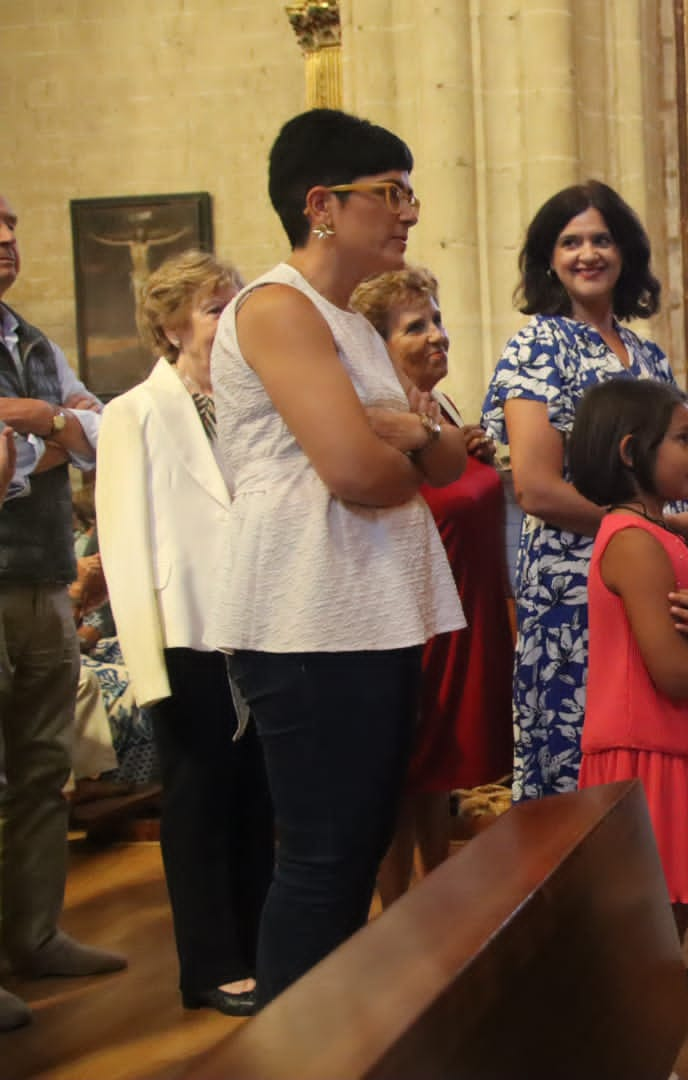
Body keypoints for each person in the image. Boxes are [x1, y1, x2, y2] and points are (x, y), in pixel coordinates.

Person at [207, 109, 466, 1005]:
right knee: (323, 860)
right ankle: (291, 1054)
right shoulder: (276, 307)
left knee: (355, 845)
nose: (409, 211)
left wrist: (402, 437)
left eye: (409, 193)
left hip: (365, 607)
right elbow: (363, 472)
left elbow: (444, 456)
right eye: (389, 193)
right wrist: (399, 439)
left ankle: (334, 1043)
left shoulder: (352, 325)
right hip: (306, 613)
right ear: (322, 204)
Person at [483, 181, 688, 802]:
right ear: (548, 257)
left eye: (600, 239)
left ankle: (659, 886)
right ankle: (582, 896)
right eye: (570, 242)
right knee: (582, 757)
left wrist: (681, 534)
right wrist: (668, 530)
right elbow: (537, 490)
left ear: (625, 253)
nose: (586, 254)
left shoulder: (650, 355)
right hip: (573, 583)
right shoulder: (537, 346)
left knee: (653, 746)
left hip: (652, 572)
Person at [96, 251, 275, 1017]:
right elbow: (125, 542)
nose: (227, 322)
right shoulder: (134, 411)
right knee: (199, 799)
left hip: (259, 624)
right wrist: (148, 664)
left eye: (234, 306)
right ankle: (207, 966)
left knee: (257, 798)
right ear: (171, 326)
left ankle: (261, 949)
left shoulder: (248, 403)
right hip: (184, 630)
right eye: (213, 309)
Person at [571, 379, 688, 984]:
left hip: (676, 746)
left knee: (666, 926)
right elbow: (676, 675)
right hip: (649, 753)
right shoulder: (633, 543)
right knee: (646, 934)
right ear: (631, 451)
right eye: (681, 438)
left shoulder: (658, 535)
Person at [351, 266, 514, 905]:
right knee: (402, 781)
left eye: (437, 320)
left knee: (434, 782)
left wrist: (463, 444)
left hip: (465, 612)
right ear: (375, 345)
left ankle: (435, 902)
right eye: (415, 326)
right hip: (411, 619)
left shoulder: (438, 407)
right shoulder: (378, 416)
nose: (437, 335)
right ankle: (395, 925)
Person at [0, 192, 124, 1033]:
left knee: (44, 769)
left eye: (11, 223)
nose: (8, 238)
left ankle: (34, 933)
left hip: (44, 578)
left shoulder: (31, 340)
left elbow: (101, 428)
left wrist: (37, 423)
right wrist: (55, 438)